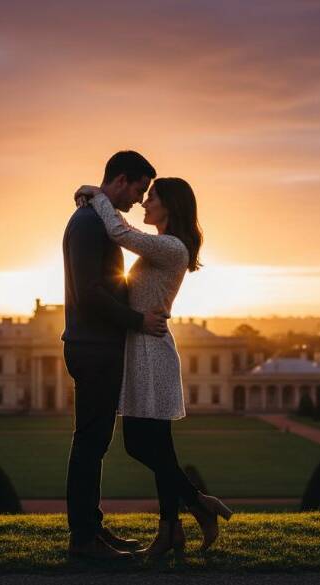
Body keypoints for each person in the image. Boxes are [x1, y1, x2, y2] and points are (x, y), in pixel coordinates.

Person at [74, 175, 233, 560]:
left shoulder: (172, 247)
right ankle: (170, 529)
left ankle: (197, 503)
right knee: (159, 447)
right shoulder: (163, 247)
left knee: (139, 443)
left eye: (152, 197)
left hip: (152, 352)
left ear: (169, 206)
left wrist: (97, 194)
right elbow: (126, 233)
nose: (144, 203)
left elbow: (119, 232)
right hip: (141, 347)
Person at [62, 150, 169, 560]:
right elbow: (90, 294)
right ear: (121, 179)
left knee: (93, 443)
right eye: (139, 189)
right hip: (94, 348)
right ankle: (84, 540)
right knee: (90, 444)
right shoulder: (89, 223)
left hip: (94, 346)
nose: (139, 199)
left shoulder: (94, 218)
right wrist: (138, 320)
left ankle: (91, 530)